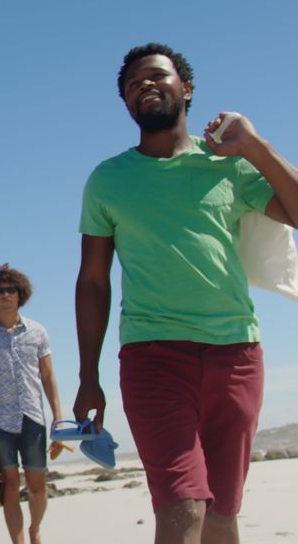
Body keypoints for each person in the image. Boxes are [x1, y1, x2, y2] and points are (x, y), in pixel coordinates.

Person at [74, 43, 298, 544]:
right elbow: (93, 280)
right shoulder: (108, 181)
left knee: (221, 514)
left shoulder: (230, 166)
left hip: (236, 353)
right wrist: (88, 375)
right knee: (181, 511)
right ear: (127, 105)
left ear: (187, 89)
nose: (144, 86)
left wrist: (255, 147)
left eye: (156, 76)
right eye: (133, 84)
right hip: (152, 358)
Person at [0, 264, 63, 544]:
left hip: (33, 417)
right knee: (9, 487)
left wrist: (57, 417)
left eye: (11, 290)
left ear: (20, 295)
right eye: (0, 291)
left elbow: (48, 376)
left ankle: (35, 530)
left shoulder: (37, 332)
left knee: (37, 486)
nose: (5, 295)